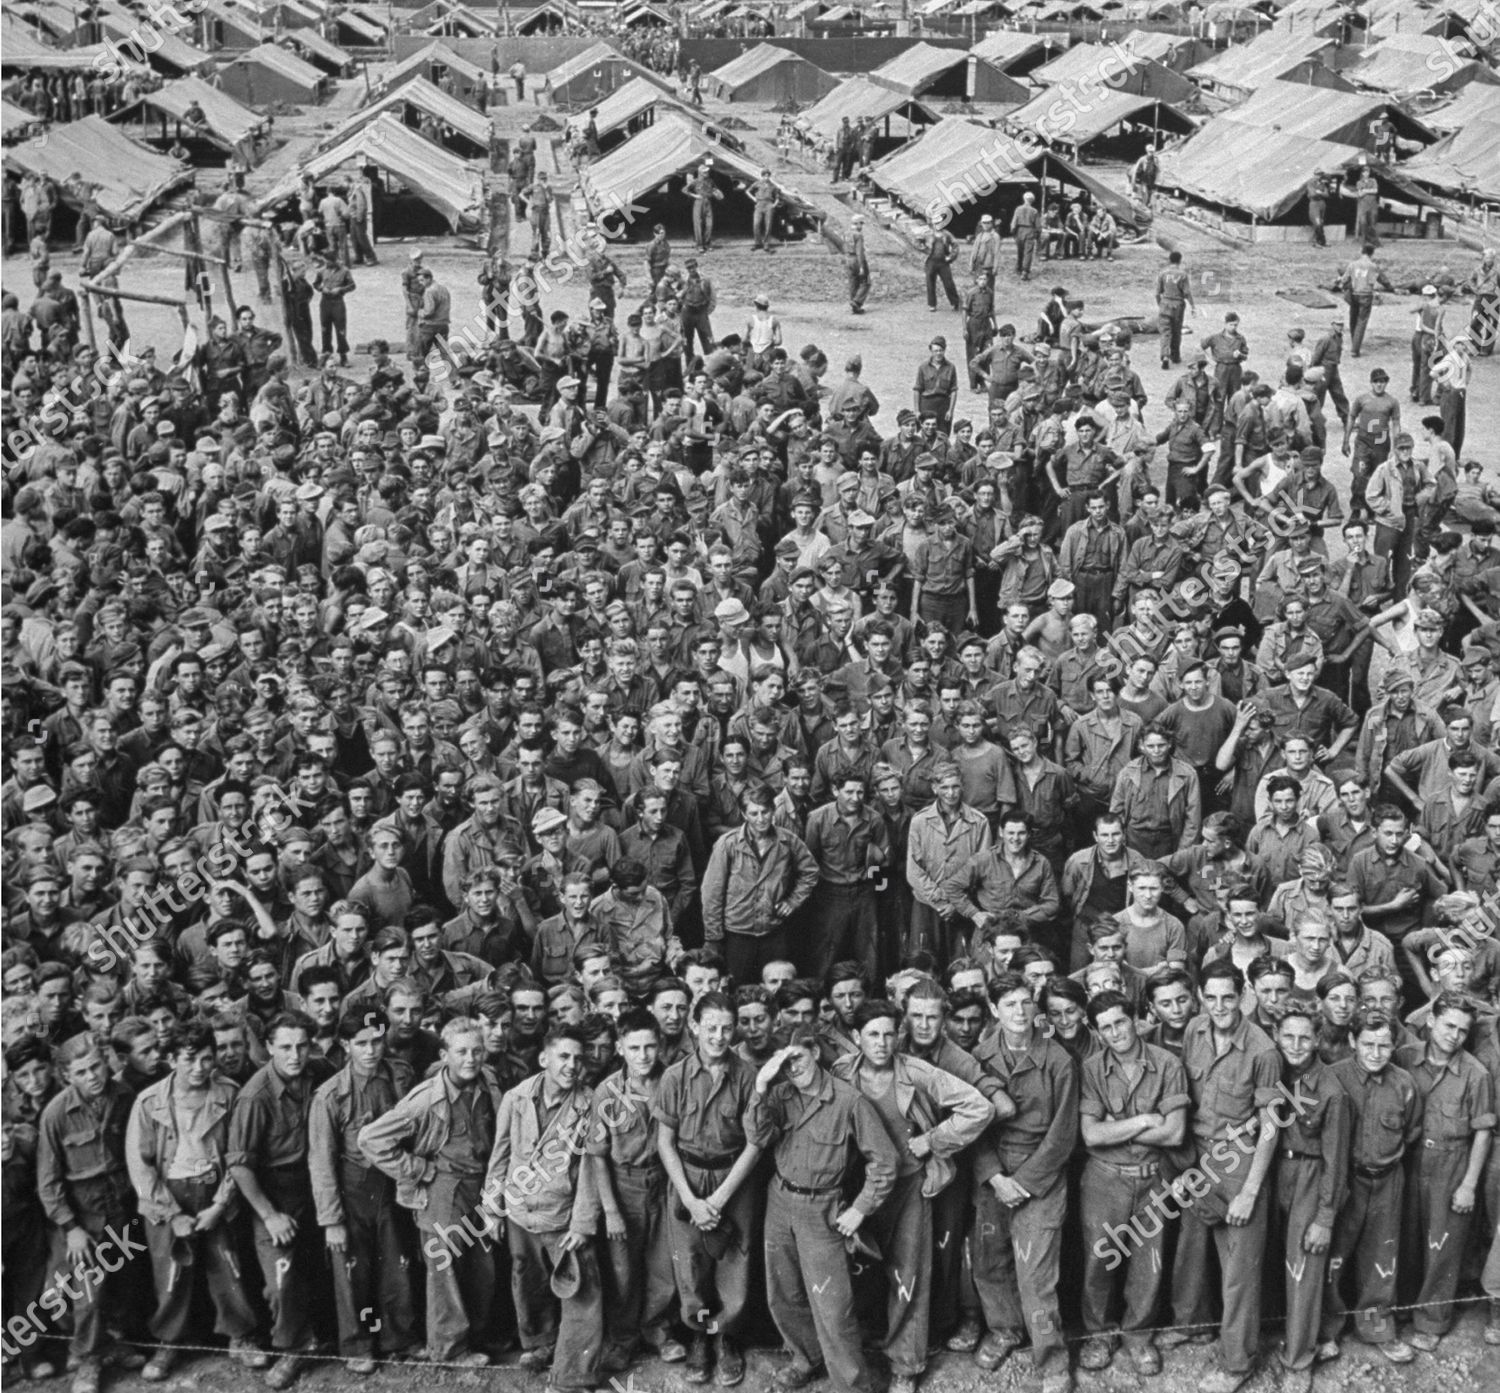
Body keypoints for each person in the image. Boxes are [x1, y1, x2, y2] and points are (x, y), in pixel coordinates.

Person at [746, 1026, 899, 1393]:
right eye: (781, 1064)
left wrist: (860, 1208)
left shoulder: (849, 1101)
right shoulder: (779, 1094)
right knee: (783, 1293)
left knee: (832, 1304)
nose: (791, 1069)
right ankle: (806, 1357)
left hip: (822, 1207)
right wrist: (761, 1088)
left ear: (814, 1051)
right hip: (780, 1201)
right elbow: (758, 1136)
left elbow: (885, 1161)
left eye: (796, 1057)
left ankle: (852, 1383)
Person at [1076, 990, 1189, 1375]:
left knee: (1149, 1261)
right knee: (1099, 1258)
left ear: (1136, 1019)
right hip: (1105, 1179)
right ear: (1097, 1030)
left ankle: (1138, 1335)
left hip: (1155, 1178)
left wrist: (1115, 1128)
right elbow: (1090, 1135)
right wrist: (1143, 1121)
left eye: (1121, 1022)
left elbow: (1174, 1133)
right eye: (1105, 1027)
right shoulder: (1092, 1068)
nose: (1115, 1032)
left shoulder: (1167, 1063)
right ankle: (1100, 1333)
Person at [653, 991, 763, 1384]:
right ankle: (700, 1335)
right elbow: (665, 1141)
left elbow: (755, 1143)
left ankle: (726, 1337)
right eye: (711, 1027)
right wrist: (689, 1197)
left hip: (735, 1181)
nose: (718, 1036)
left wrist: (719, 1198)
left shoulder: (748, 1076)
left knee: (735, 1263)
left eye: (727, 1028)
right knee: (692, 1265)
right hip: (688, 1178)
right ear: (694, 1027)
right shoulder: (675, 1076)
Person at [847, 214, 870, 316]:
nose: (862, 226)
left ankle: (853, 303)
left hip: (848, 258)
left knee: (853, 282)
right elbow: (859, 251)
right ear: (858, 223)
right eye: (861, 223)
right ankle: (857, 302)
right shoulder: (858, 235)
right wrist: (861, 266)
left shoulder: (847, 233)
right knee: (866, 282)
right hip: (857, 259)